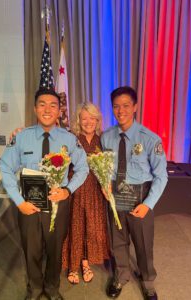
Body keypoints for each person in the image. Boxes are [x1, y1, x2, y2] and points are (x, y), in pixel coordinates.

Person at [0, 89, 89, 300]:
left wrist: (68, 190)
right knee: (31, 250)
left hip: (58, 204)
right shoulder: (22, 137)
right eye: (42, 104)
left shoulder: (69, 139)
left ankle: (51, 288)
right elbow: (5, 167)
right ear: (34, 108)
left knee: (55, 250)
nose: (47, 109)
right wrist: (19, 201)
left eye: (53, 105)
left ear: (59, 110)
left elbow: (83, 168)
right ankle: (35, 289)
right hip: (29, 205)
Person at [101, 86, 168, 300]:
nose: (121, 111)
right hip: (115, 198)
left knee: (143, 244)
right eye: (116, 106)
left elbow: (161, 176)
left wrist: (148, 204)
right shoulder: (106, 137)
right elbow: (104, 167)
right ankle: (121, 275)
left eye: (126, 106)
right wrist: (104, 183)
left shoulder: (150, 139)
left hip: (140, 199)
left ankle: (147, 281)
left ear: (135, 107)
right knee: (117, 241)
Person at [62, 102, 109, 284]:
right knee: (75, 227)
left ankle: (85, 262)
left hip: (95, 191)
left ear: (97, 120)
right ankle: (73, 266)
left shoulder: (102, 141)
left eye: (92, 118)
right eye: (84, 118)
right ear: (78, 121)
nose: (88, 122)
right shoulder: (72, 139)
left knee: (90, 227)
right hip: (76, 190)